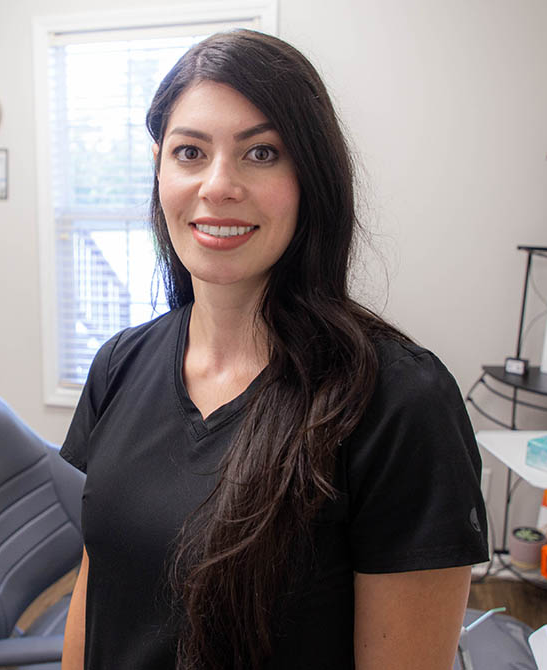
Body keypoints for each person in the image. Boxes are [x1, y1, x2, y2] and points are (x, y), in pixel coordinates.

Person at [60, 29, 488, 670]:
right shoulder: (119, 365)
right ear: (159, 171)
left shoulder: (399, 402)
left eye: (261, 153)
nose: (218, 185)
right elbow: (96, 587)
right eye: (189, 152)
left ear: (311, 175)